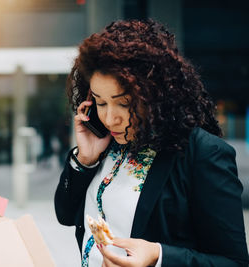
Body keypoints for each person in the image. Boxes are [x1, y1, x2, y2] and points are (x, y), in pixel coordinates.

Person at [54, 19, 248, 266]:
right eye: (101, 103)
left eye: (124, 103)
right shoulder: (106, 142)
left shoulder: (203, 153)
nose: (110, 118)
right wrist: (85, 160)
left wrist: (159, 256)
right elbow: (65, 214)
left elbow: (235, 262)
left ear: (155, 93)